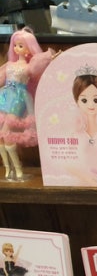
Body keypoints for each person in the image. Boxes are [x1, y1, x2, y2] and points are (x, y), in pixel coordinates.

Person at [0, 28, 57, 181]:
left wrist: (50, 57)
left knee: (6, 131)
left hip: (19, 99)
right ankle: (8, 169)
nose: (16, 48)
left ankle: (17, 168)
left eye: (21, 45)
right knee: (1, 135)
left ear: (28, 49)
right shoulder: (9, 65)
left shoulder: (29, 67)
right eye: (15, 45)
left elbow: (38, 66)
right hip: (5, 97)